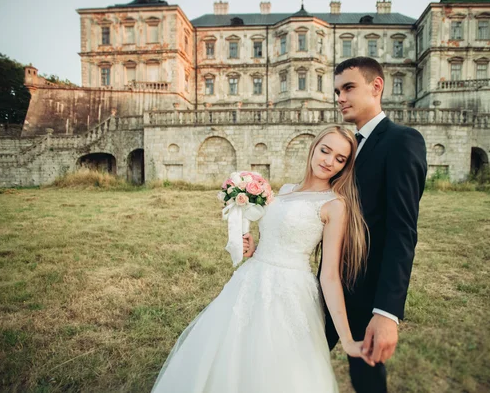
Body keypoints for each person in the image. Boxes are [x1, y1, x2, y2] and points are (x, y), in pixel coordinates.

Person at [152, 126, 370, 393]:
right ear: (314, 148)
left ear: (346, 166)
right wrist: (254, 247)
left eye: (340, 158)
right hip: (251, 278)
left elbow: (330, 275)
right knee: (231, 352)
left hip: (289, 291)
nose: (328, 161)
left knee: (276, 367)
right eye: (325, 150)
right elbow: (275, 233)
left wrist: (347, 339)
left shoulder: (335, 205)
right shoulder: (287, 189)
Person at [330, 57, 427, 392]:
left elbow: (403, 231)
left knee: (367, 380)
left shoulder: (402, 140)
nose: (339, 97)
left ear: (376, 86)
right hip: (325, 284)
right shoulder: (346, 147)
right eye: (337, 91)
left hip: (365, 292)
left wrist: (386, 312)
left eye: (348, 88)